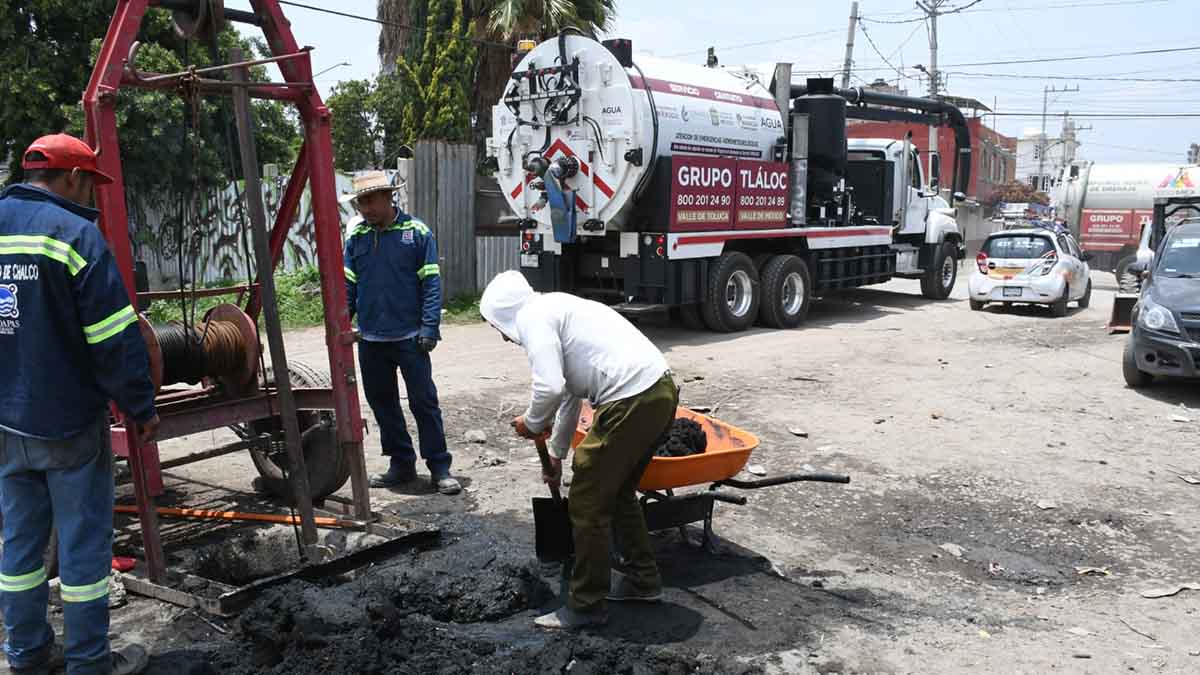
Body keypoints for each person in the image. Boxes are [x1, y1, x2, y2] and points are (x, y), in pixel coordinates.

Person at [0, 134, 158, 674]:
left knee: (18, 548)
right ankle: (89, 662)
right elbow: (114, 338)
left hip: (6, 424)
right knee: (84, 549)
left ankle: (25, 655)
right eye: (88, 181)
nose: (89, 192)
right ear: (71, 177)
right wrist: (141, 406)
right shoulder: (75, 236)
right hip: (66, 422)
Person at [480, 271, 678, 630]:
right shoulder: (560, 307)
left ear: (503, 317)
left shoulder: (533, 317)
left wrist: (532, 421)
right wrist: (555, 454)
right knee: (617, 492)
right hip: (659, 391)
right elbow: (572, 392)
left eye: (496, 328)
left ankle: (586, 605)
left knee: (586, 497)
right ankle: (643, 581)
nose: (503, 338)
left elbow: (550, 386)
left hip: (631, 398)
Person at [342, 172, 460, 495]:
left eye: (370, 200)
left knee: (424, 402)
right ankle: (401, 464)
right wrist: (340, 323)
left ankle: (439, 467)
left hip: (411, 338)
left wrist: (430, 327)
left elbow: (431, 284)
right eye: (360, 203)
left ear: (387, 197)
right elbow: (348, 288)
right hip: (371, 341)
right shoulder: (357, 239)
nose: (365, 209)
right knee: (383, 403)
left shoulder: (417, 233)